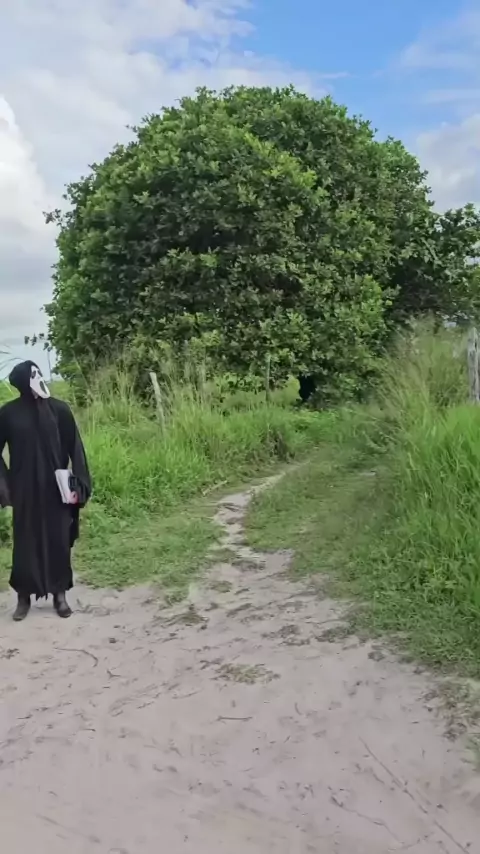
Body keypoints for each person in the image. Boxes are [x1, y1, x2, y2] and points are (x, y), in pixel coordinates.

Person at [0, 361, 91, 621]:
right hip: (25, 490)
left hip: (57, 489)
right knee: (25, 542)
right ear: (22, 381)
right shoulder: (8, 414)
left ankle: (60, 595)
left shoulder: (59, 410)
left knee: (58, 540)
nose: (39, 378)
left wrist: (79, 485)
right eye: (33, 375)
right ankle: (23, 598)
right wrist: (5, 485)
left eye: (39, 372)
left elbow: (75, 448)